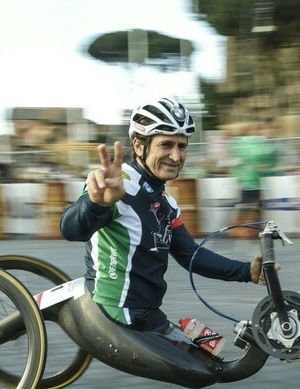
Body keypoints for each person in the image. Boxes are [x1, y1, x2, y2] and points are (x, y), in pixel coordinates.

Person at [60, 97, 268, 356]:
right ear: (139, 145)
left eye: (182, 146)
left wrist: (247, 271)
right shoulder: (118, 184)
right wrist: (95, 204)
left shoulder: (166, 203)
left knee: (214, 362)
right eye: (166, 145)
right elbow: (71, 230)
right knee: (205, 372)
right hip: (117, 316)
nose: (176, 156)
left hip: (149, 316)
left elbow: (190, 255)